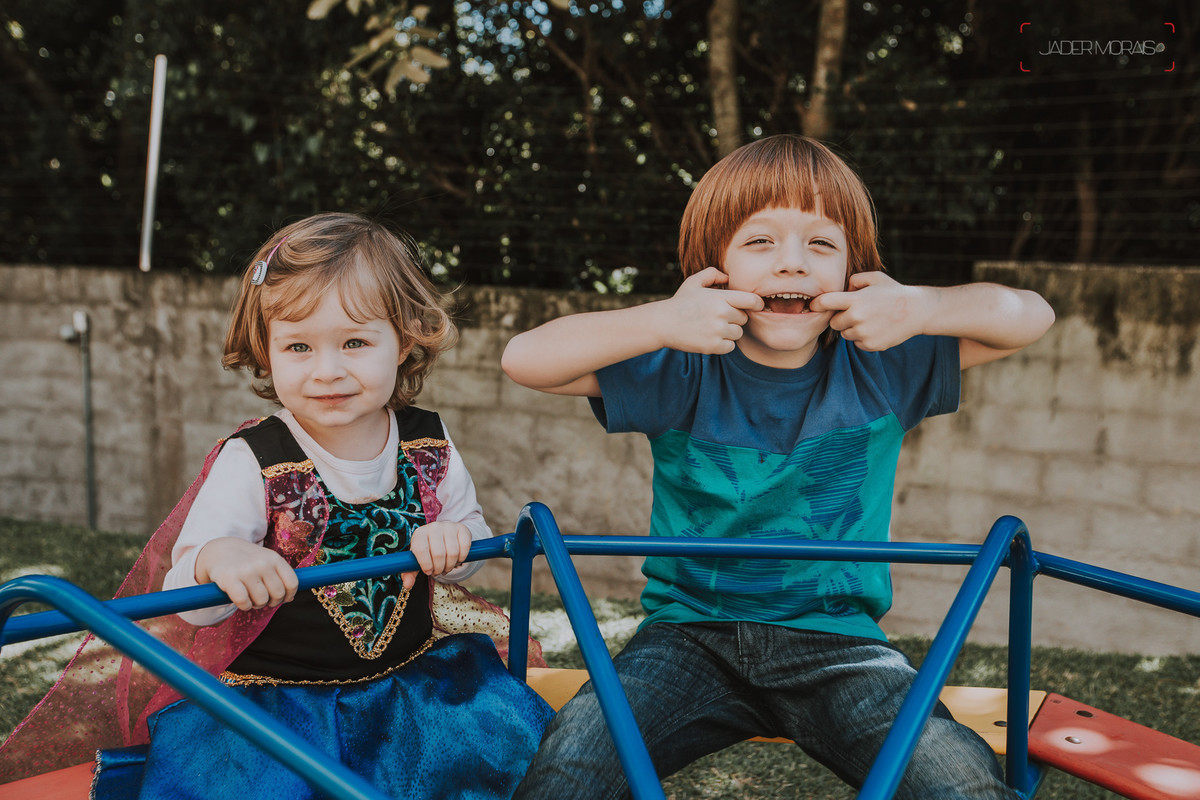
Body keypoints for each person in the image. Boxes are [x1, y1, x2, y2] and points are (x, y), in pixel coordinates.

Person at [501, 135, 1055, 799]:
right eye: (759, 242)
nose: (792, 264)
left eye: (821, 244)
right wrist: (662, 318)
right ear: (716, 268)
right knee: (570, 769)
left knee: (959, 779)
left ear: (854, 270)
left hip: (839, 646)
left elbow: (1032, 315)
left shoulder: (884, 365)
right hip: (686, 640)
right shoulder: (681, 364)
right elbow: (523, 360)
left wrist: (921, 306)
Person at [0, 212, 552, 799]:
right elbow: (189, 594)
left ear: (407, 339)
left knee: (479, 763)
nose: (327, 370)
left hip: (410, 687)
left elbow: (468, 534)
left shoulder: (427, 444)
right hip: (280, 705)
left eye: (356, 342)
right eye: (298, 346)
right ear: (267, 351)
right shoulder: (255, 459)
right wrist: (224, 557)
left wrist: (452, 542)